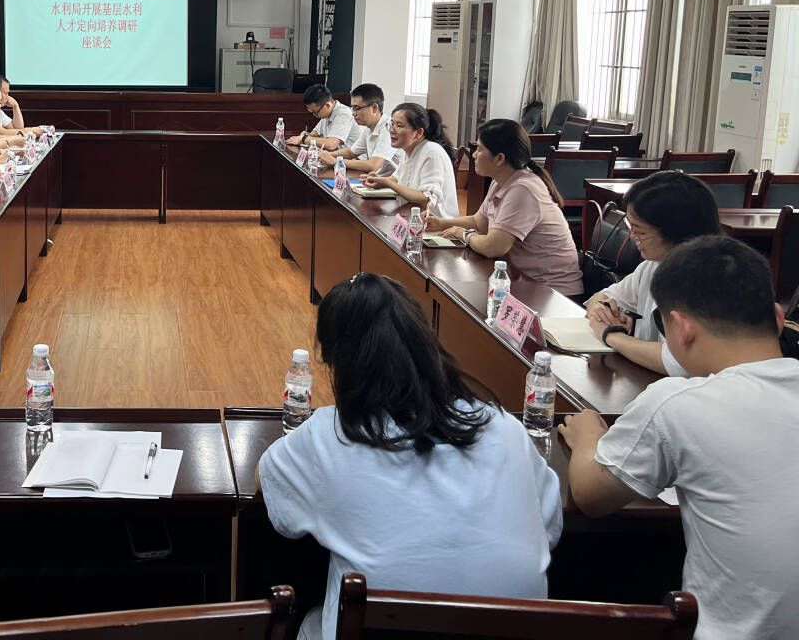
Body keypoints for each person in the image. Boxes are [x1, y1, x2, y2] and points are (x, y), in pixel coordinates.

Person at [260, 273, 561, 640]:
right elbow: (548, 528)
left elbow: (274, 494)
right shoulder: (503, 427)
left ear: (338, 361)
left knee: (306, 620)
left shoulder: (331, 434)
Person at [560, 236, 799, 640]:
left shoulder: (677, 403)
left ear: (682, 328)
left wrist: (587, 436)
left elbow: (589, 496)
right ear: (777, 319)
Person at [583, 171, 721, 375]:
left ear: (675, 231)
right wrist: (603, 311)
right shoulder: (653, 266)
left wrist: (612, 335)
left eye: (640, 231)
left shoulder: (706, 282)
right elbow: (602, 296)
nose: (632, 236)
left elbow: (679, 363)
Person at [427, 118, 583, 296]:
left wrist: (463, 234)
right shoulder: (501, 181)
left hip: (555, 293)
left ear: (500, 158)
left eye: (480, 149)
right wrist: (441, 223)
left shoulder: (523, 189)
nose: (475, 155)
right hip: (524, 281)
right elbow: (479, 222)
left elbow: (493, 247)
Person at [362, 102, 459, 219]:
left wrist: (388, 183)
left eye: (399, 126)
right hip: (411, 216)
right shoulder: (408, 148)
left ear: (418, 133)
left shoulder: (432, 152)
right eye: (391, 124)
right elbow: (396, 178)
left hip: (435, 223)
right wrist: (378, 180)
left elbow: (425, 198)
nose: (392, 130)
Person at [316, 83, 402, 175]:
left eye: (357, 108)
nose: (353, 113)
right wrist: (327, 155)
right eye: (352, 108)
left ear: (374, 108)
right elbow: (351, 152)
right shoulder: (369, 128)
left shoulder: (388, 128)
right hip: (376, 179)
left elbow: (373, 165)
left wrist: (336, 161)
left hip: (391, 182)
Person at [287, 84, 359, 151]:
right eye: (311, 112)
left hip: (353, 159)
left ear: (327, 105)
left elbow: (331, 144)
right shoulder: (326, 114)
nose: (314, 115)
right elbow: (313, 134)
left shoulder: (343, 114)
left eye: (315, 112)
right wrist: (304, 136)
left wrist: (303, 138)